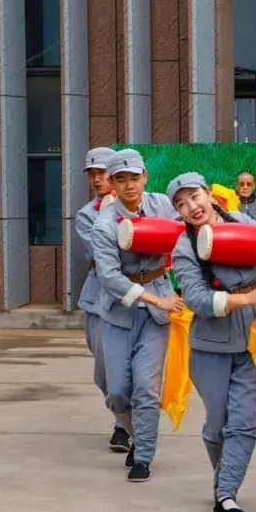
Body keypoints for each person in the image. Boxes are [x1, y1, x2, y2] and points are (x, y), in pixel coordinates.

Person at [169, 172, 256, 512]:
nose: (192, 207)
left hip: (253, 340)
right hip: (210, 347)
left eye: (195, 197)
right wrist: (244, 298)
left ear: (209, 194)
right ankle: (225, 482)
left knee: (245, 423)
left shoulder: (243, 221)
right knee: (218, 425)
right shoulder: (185, 248)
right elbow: (197, 300)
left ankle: (226, 494)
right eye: (181, 204)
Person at [91, 149, 184, 483]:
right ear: (113, 184)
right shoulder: (105, 223)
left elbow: (198, 224)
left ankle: (143, 454)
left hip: (157, 312)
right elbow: (109, 277)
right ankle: (133, 431)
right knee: (115, 390)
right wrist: (153, 300)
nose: (129, 185)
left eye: (134, 177)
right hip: (120, 310)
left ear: (145, 176)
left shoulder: (163, 205)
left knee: (147, 387)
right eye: (121, 179)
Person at [74, 147, 130, 453]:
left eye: (102, 173)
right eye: (92, 174)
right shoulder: (86, 216)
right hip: (99, 295)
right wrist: (108, 213)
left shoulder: (144, 206)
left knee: (134, 368)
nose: (97, 179)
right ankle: (122, 418)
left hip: (139, 295)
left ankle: (127, 427)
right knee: (104, 370)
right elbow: (101, 253)